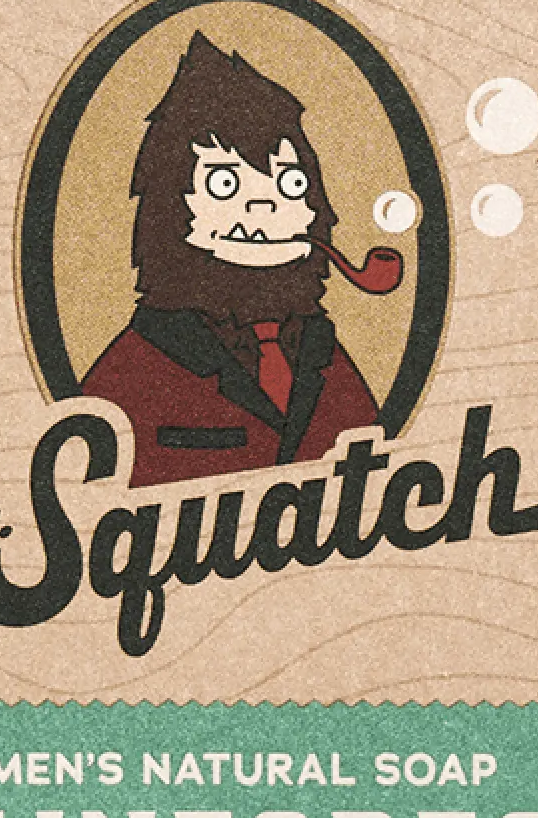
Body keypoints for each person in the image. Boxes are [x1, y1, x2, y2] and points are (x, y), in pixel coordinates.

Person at [80, 32, 383, 487]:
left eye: (291, 184)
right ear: (169, 207)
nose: (264, 207)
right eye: (224, 184)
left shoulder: (322, 353)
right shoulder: (136, 370)